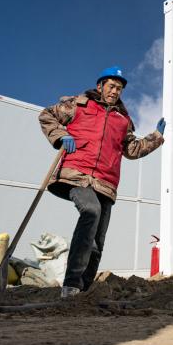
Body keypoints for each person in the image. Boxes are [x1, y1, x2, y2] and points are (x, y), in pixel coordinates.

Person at [39, 66, 165, 298]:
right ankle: (71, 284)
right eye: (112, 86)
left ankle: (85, 290)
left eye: (119, 89)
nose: (115, 91)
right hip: (77, 175)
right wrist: (61, 135)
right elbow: (47, 115)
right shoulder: (79, 104)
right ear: (100, 86)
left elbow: (132, 149)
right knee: (91, 211)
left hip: (106, 183)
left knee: (98, 239)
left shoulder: (123, 120)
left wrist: (156, 137)